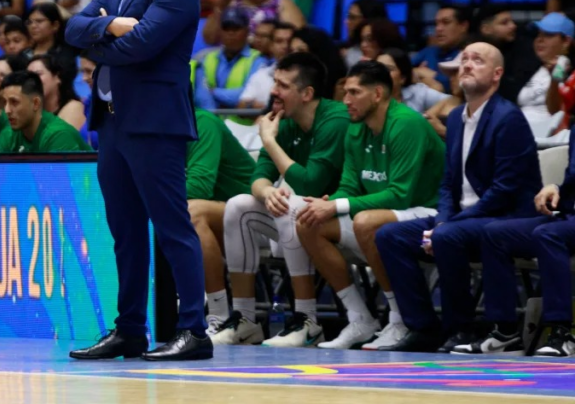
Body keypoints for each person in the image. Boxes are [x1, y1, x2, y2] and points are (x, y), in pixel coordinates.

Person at [66, 0, 212, 361]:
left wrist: (100, 38)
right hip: (111, 123)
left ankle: (195, 331)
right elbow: (71, 28)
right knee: (125, 232)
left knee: (172, 229)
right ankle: (130, 329)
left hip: (154, 125)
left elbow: (143, 47)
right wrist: (109, 28)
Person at [374, 42, 541, 352]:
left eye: (477, 60)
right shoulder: (454, 119)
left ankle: (461, 329)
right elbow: (448, 184)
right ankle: (423, 326)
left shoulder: (509, 118)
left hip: (506, 219)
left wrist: (446, 226)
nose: (466, 64)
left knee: (447, 236)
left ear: (496, 74)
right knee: (390, 236)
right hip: (461, 221)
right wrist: (442, 220)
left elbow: (504, 190)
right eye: (464, 59)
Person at [471, 45, 575, 358]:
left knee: (547, 234)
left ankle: (561, 334)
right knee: (494, 233)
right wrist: (555, 189)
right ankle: (506, 331)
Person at [289, 61, 445, 350]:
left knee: (366, 221)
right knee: (308, 221)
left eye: (354, 92)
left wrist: (338, 206)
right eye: (345, 92)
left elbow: (399, 195)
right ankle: (360, 317)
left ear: (377, 94)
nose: (346, 100)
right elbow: (349, 186)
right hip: (384, 212)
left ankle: (399, 320)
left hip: (429, 212)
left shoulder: (406, 123)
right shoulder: (356, 128)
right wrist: (328, 203)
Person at [211, 53, 351, 346]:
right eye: (275, 82)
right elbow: (258, 176)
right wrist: (267, 192)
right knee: (238, 205)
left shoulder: (334, 119)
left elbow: (311, 182)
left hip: (342, 216)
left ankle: (307, 321)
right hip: (308, 220)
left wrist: (269, 141)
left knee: (294, 207)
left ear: (306, 93)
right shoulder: (285, 120)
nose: (274, 91)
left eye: (283, 85)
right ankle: (246, 319)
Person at [185, 106, 254, 331]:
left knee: (190, 212)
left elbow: (200, 187)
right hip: (219, 215)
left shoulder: (202, 123)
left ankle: (219, 315)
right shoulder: (150, 130)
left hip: (253, 214)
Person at [0, 71, 91, 153]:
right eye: (4, 102)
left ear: (36, 103)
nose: (7, 110)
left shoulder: (58, 135)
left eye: (14, 102)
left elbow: (62, 175)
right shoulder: (7, 135)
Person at [377, 48, 451, 114]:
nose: (381, 73)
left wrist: (428, 116)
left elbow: (453, 101)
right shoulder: (367, 96)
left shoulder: (418, 93)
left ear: (402, 78)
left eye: (389, 69)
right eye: (377, 68)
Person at [28, 53, 84, 130]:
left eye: (38, 74)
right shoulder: (32, 113)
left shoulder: (73, 107)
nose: (33, 81)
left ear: (57, 77)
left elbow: (64, 140)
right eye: (29, 77)